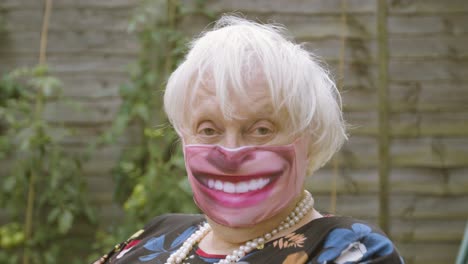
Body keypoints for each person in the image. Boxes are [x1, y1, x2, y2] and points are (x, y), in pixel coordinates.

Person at [94, 15, 403, 264]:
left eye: (261, 130)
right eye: (208, 129)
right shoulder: (157, 235)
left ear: (309, 138)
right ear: (184, 138)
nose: (230, 153)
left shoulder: (348, 250)